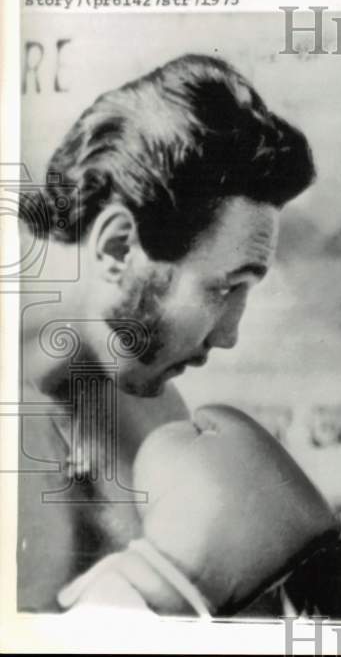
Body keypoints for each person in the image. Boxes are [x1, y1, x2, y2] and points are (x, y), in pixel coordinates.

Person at [16, 54, 317, 611]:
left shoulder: (145, 407)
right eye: (224, 288)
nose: (228, 336)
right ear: (117, 249)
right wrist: (161, 595)